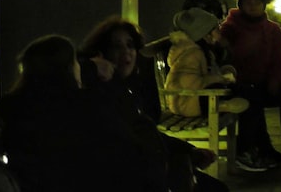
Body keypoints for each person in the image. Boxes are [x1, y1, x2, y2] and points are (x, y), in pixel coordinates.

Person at [0, 34, 163, 192]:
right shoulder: (87, 107)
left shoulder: (12, 110)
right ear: (69, 68)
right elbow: (132, 153)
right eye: (76, 62)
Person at [81, 17, 228, 191]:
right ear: (100, 54)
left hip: (154, 170)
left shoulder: (128, 89)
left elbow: (146, 133)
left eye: (130, 45)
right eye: (116, 46)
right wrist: (89, 67)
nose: (126, 52)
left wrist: (189, 151)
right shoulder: (99, 94)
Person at [167, 7, 268, 172]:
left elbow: (207, 75)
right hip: (191, 102)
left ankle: (249, 148)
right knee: (249, 96)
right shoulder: (191, 53)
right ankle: (243, 151)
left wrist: (224, 73)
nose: (219, 31)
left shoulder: (201, 50)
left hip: (200, 97)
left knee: (250, 94)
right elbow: (188, 84)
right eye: (215, 29)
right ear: (204, 33)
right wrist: (220, 79)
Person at [219, 0, 281, 164]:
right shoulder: (230, 28)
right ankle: (261, 148)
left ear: (263, 5)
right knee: (252, 99)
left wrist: (276, 80)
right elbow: (226, 58)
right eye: (248, 3)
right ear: (241, 5)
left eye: (257, 3)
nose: (252, 6)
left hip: (264, 81)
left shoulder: (271, 29)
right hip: (239, 84)